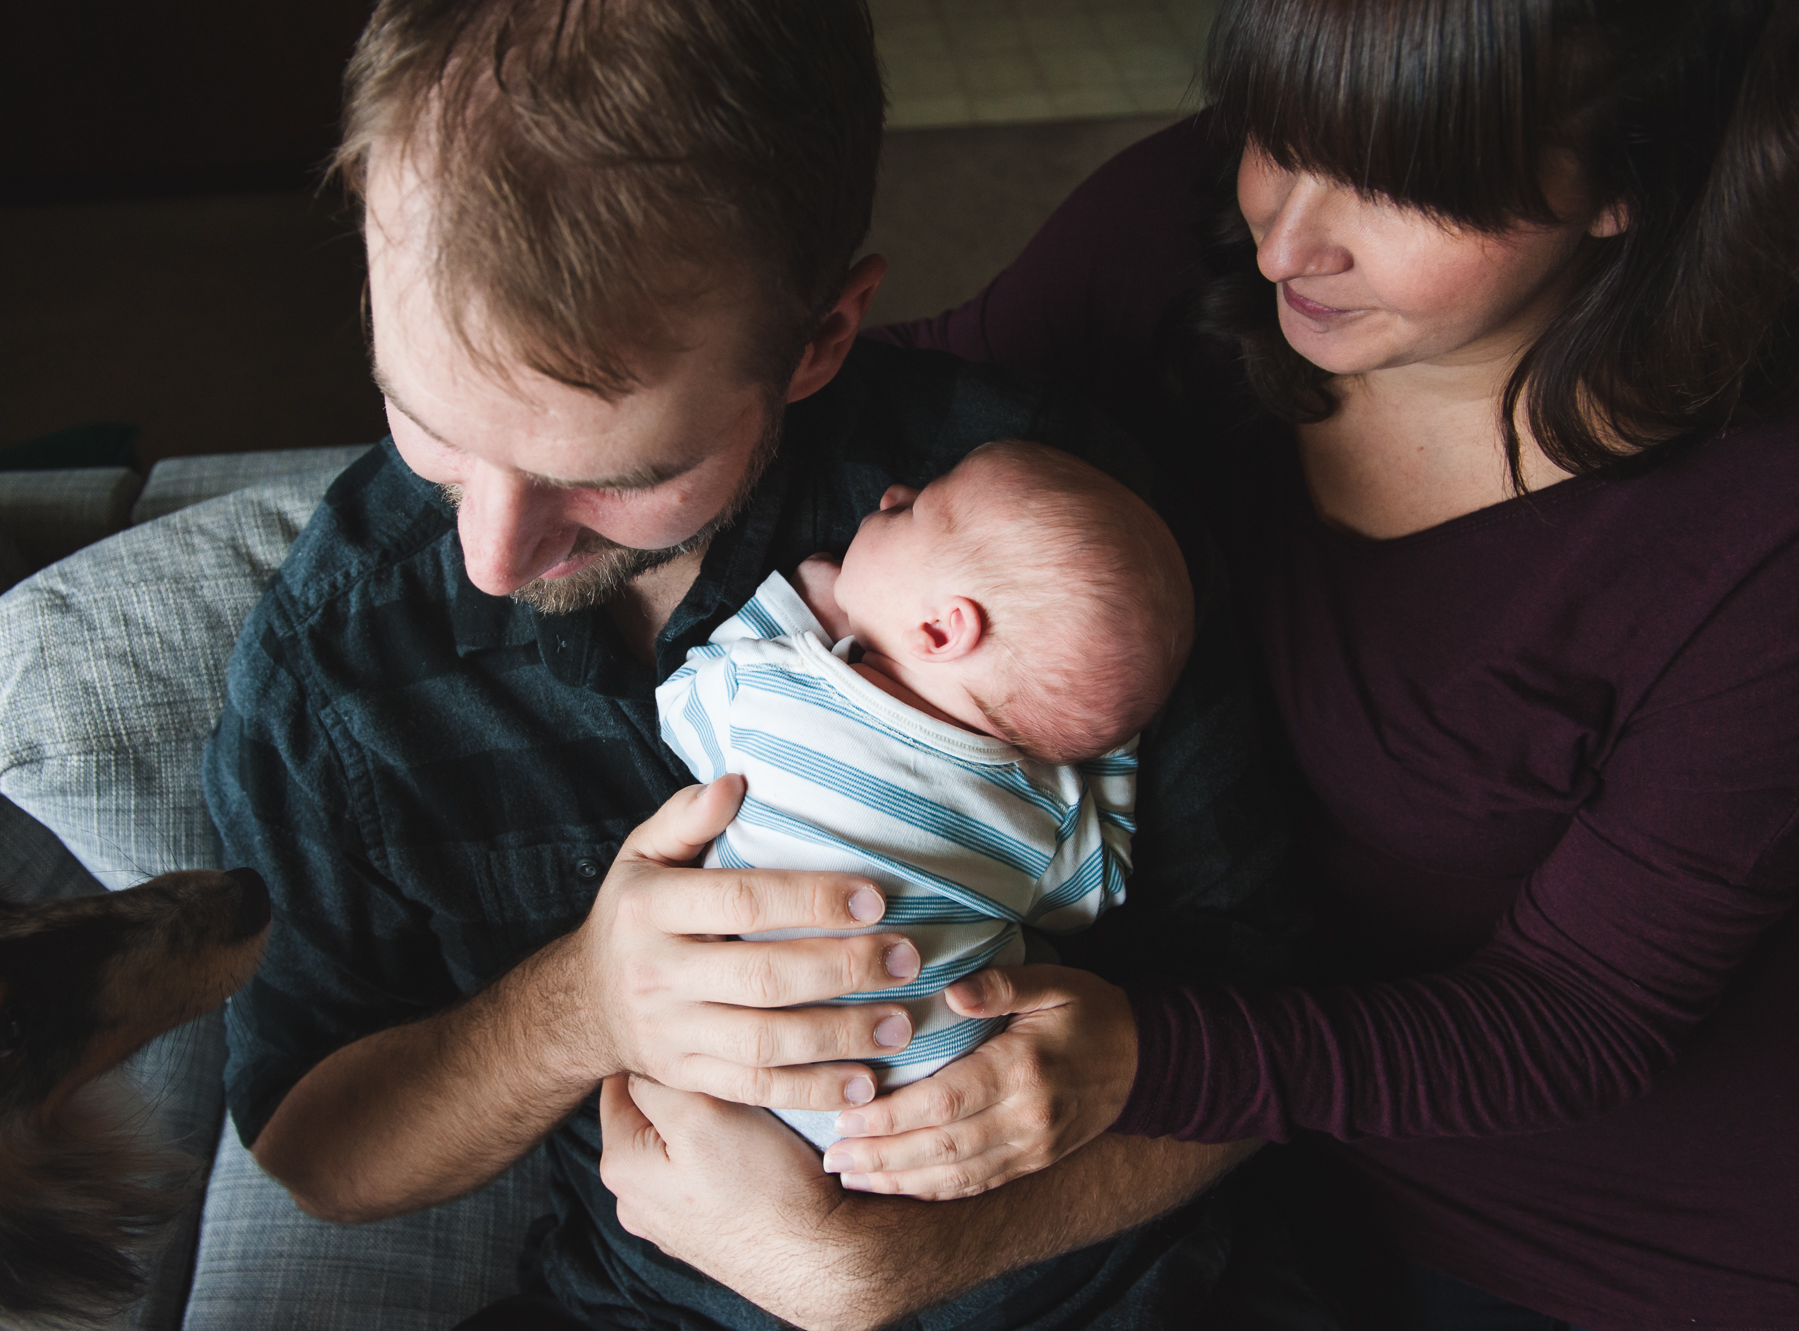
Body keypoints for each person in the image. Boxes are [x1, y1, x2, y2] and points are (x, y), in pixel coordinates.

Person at [634, 0, 1799, 1327]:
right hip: (1210, 1126)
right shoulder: (1179, 228)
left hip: (1574, 1237)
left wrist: (1150, 1056)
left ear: (1624, 182)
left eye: (1409, 189)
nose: (1287, 236)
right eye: (1277, 132)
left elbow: (1578, 1017)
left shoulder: (1752, 540)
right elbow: (896, 409)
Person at [203, 2, 1325, 1329]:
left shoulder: (1045, 526)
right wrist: (579, 1008)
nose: (494, 557)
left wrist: (907, 1260)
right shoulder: (341, 645)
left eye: (617, 477)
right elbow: (313, 1144)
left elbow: (1287, 1043)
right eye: (428, 422)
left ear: (820, 338)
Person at [656, 440, 1193, 1150]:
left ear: (940, 628)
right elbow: (1096, 890)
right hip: (940, 1116)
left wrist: (790, 610)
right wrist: (1104, 753)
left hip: (749, 1083)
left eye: (916, 509)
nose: (891, 494)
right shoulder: (1042, 805)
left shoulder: (770, 687)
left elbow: (680, 703)